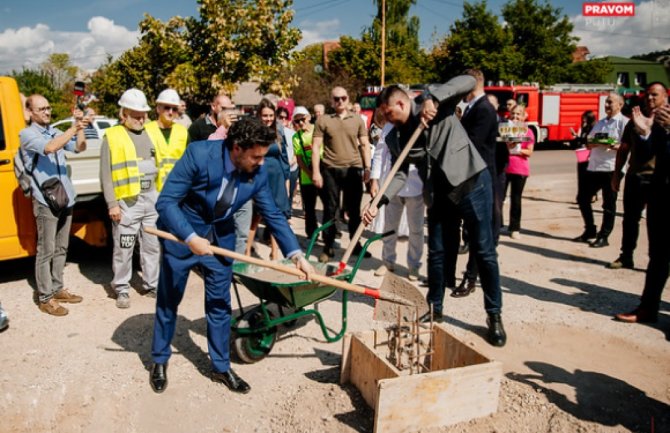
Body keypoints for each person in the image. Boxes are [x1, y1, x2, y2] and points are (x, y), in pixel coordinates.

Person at [149, 116, 314, 394]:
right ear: (236, 148)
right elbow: (166, 202)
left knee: (219, 304)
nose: (261, 163)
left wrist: (296, 255)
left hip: (220, 240)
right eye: (256, 156)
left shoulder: (258, 170)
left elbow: (272, 214)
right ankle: (160, 359)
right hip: (182, 234)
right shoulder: (199, 155)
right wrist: (190, 237)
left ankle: (221, 366)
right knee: (169, 300)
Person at [363, 79, 506, 347]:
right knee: (437, 253)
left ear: (401, 103)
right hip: (439, 193)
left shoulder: (434, 104)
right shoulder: (396, 136)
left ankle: (494, 315)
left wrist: (434, 98)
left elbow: (468, 80)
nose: (387, 120)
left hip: (471, 182)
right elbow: (399, 174)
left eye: (388, 113)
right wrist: (377, 202)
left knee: (484, 250)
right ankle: (435, 308)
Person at [100, 88, 188, 309]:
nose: (141, 120)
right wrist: (112, 204)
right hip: (127, 203)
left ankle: (151, 284)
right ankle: (121, 287)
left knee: (151, 245)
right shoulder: (112, 136)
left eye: (143, 116)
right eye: (136, 116)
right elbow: (105, 174)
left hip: (151, 199)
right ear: (124, 115)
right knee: (125, 245)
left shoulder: (149, 132)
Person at [20, 94, 88, 316]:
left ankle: (57, 288)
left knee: (61, 247)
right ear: (30, 112)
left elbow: (80, 148)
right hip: (45, 200)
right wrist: (73, 126)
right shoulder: (27, 135)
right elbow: (49, 148)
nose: (47, 112)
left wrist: (80, 128)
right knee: (46, 250)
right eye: (42, 109)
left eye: (48, 108)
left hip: (64, 196)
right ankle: (45, 297)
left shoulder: (55, 131)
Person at [615, 102, 670, 323]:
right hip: (660, 196)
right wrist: (646, 133)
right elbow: (649, 155)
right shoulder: (660, 123)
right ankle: (648, 308)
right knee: (657, 256)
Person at [608, 82, 668, 269]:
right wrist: (617, 175)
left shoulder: (666, 121)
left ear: (665, 96)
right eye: (647, 95)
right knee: (630, 219)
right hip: (636, 176)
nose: (650, 98)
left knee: (656, 223)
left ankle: (655, 261)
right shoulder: (635, 119)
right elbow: (623, 150)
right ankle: (626, 255)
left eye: (654, 95)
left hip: (660, 181)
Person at [453, 69, 501, 298]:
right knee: (474, 233)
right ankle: (470, 276)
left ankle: (471, 279)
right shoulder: (474, 108)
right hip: (471, 178)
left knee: (481, 236)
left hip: (480, 179)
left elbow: (471, 146)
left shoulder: (484, 110)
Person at [311, 86, 372, 263]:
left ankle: (355, 245)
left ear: (348, 99)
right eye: (336, 98)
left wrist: (367, 168)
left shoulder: (358, 120)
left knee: (354, 211)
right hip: (330, 169)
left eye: (343, 98)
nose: (340, 101)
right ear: (331, 100)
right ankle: (328, 246)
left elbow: (365, 144)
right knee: (330, 209)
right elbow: (315, 147)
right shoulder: (323, 120)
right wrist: (316, 172)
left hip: (353, 169)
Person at [370, 121, 424, 281]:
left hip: (416, 185)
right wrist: (374, 179)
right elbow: (380, 153)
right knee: (390, 226)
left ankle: (414, 265)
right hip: (392, 185)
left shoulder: (420, 123)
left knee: (416, 229)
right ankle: (387, 262)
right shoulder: (389, 126)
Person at [574, 93, 628, 247]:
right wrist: (592, 143)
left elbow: (627, 146)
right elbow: (589, 141)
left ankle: (604, 236)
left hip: (612, 168)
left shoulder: (624, 123)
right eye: (606, 102)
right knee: (583, 198)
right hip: (594, 166)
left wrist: (612, 145)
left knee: (608, 203)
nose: (607, 106)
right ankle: (590, 230)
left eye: (610, 102)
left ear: (620, 105)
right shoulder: (600, 123)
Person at [245, 99, 291, 260]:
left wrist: (286, 180)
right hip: (258, 174)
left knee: (277, 214)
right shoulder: (253, 131)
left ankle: (275, 254)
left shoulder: (278, 130)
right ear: (259, 115)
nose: (268, 119)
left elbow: (284, 156)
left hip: (277, 175)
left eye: (271, 115)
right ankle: (247, 252)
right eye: (265, 115)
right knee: (255, 216)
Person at [504, 105, 535, 239]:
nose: (515, 117)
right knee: (498, 198)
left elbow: (529, 152)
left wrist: (517, 150)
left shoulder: (528, 132)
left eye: (518, 114)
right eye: (513, 114)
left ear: (524, 116)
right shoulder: (505, 129)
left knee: (516, 199)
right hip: (504, 167)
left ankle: (515, 228)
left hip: (520, 169)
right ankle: (497, 224)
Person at [292, 106, 321, 240]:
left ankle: (330, 233)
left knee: (330, 205)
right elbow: (299, 159)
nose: (301, 123)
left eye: (303, 119)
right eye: (297, 121)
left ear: (308, 117)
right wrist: (310, 173)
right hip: (306, 176)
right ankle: (312, 233)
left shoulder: (318, 130)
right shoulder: (296, 137)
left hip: (322, 172)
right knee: (309, 209)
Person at [277, 106, 299, 207]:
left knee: (290, 193)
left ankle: (288, 213)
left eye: (285, 117)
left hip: (292, 167)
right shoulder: (273, 133)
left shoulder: (293, 134)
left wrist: (292, 162)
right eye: (280, 117)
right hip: (279, 167)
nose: (283, 120)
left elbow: (296, 151)